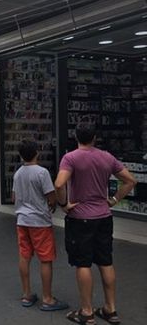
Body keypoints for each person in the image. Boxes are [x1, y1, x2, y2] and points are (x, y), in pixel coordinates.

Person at [55, 123, 137, 325]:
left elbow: (59, 183)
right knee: (105, 261)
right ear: (94, 138)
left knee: (83, 263)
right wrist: (114, 200)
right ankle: (110, 308)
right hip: (103, 216)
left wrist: (64, 204)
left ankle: (87, 311)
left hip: (80, 218)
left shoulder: (71, 158)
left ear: (76, 137)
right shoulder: (107, 157)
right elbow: (130, 180)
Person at [12, 140, 69, 311]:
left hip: (22, 220)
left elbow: (14, 198)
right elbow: (51, 196)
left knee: (24, 256)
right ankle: (47, 298)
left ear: (21, 155)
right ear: (37, 153)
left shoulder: (18, 174)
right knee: (45, 259)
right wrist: (53, 205)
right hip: (40, 221)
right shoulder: (42, 173)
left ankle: (26, 294)